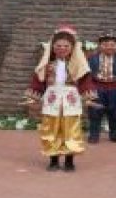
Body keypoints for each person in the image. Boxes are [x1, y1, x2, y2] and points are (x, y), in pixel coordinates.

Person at [25, 26, 97, 172]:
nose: (62, 48)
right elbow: (38, 81)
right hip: (52, 100)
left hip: (71, 100)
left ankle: (69, 161)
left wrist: (88, 98)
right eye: (58, 46)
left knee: (71, 131)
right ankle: (53, 160)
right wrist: (33, 98)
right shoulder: (47, 65)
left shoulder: (78, 65)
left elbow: (85, 82)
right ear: (53, 47)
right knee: (51, 130)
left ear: (72, 47)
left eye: (66, 46)